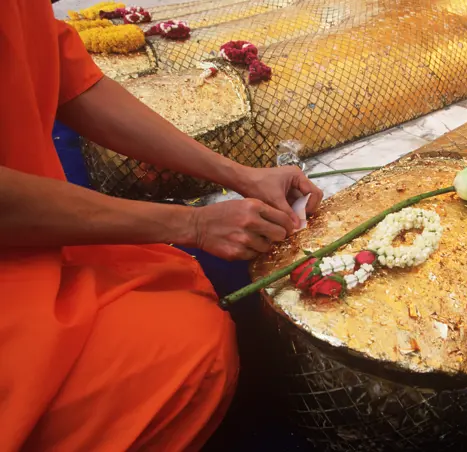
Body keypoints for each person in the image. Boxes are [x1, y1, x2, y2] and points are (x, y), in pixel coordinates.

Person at [0, 1, 323, 450]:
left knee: (175, 288)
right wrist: (193, 224)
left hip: (38, 239)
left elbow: (74, 85)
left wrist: (240, 175)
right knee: (189, 348)